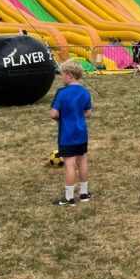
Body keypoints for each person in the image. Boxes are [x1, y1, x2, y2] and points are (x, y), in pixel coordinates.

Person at [50, 59, 93, 205]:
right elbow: (88, 113)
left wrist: (61, 119)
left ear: (69, 75)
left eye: (61, 74)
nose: (60, 77)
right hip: (81, 133)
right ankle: (84, 194)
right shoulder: (85, 92)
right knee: (82, 162)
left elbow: (53, 114)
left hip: (67, 135)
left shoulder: (61, 93)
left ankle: (69, 198)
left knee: (69, 164)